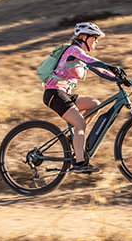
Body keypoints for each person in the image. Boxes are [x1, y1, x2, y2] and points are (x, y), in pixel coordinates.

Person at [42, 22, 117, 173]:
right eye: (94, 38)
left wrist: (117, 77)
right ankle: (79, 163)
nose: (96, 41)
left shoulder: (79, 54)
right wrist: (111, 67)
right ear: (84, 37)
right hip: (54, 92)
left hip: (64, 93)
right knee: (80, 124)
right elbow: (91, 61)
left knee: (95, 104)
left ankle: (74, 138)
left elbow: (95, 67)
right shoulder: (74, 50)